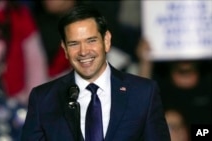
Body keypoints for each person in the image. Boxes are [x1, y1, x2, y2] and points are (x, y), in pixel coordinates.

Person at [21, 5, 170, 141]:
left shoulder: (143, 93)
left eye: (91, 41)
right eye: (74, 44)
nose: (84, 51)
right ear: (65, 49)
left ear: (106, 41)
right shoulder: (44, 99)